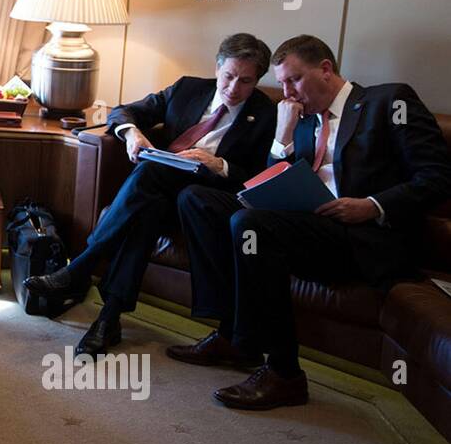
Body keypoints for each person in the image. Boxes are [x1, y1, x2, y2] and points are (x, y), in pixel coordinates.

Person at [171, 35, 451, 409]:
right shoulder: (300, 120)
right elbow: (272, 183)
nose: (287, 92)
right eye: (282, 83)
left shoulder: (388, 102)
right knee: (197, 200)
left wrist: (372, 205)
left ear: (325, 69)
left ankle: (285, 374)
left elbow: (437, 177)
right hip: (310, 227)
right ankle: (233, 335)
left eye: (294, 80)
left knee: (250, 226)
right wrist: (283, 136)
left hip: (363, 235)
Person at [24, 33, 277, 356]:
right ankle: (107, 319)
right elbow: (124, 111)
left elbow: (260, 177)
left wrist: (219, 164)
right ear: (217, 67)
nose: (233, 88)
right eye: (228, 76)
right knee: (147, 207)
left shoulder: (265, 115)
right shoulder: (187, 89)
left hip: (202, 201)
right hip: (159, 194)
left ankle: (81, 270)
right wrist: (132, 135)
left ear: (257, 80)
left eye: (245, 81)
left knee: (148, 176)